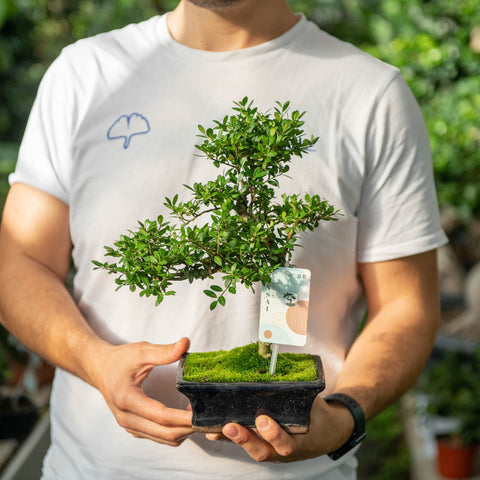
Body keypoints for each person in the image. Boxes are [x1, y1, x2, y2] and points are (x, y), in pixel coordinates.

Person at [0, 0, 448, 478]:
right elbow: (18, 261)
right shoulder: (85, 73)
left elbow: (405, 305)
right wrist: (93, 360)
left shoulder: (370, 93)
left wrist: (343, 416)